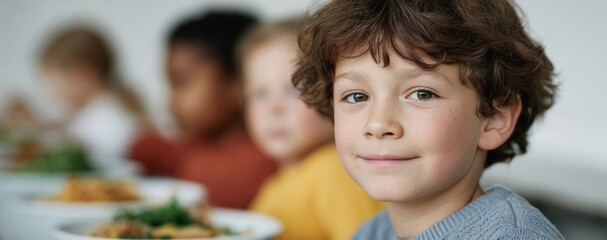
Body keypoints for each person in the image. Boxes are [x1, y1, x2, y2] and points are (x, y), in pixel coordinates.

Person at [292, 0, 564, 239]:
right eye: (356, 96)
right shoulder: (372, 233)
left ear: (494, 118)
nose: (378, 124)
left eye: (422, 94)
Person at [240, 19, 383, 240]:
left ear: (332, 95)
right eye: (260, 94)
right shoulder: (277, 182)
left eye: (295, 90)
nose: (273, 108)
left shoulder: (335, 172)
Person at [129, 11, 277, 209]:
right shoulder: (202, 144)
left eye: (181, 82)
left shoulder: (265, 155)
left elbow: (204, 179)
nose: (169, 103)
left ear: (238, 83)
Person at [40, 26, 144, 168]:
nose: (50, 89)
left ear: (83, 74)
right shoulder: (93, 111)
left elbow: (104, 160)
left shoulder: (108, 117)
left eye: (54, 78)